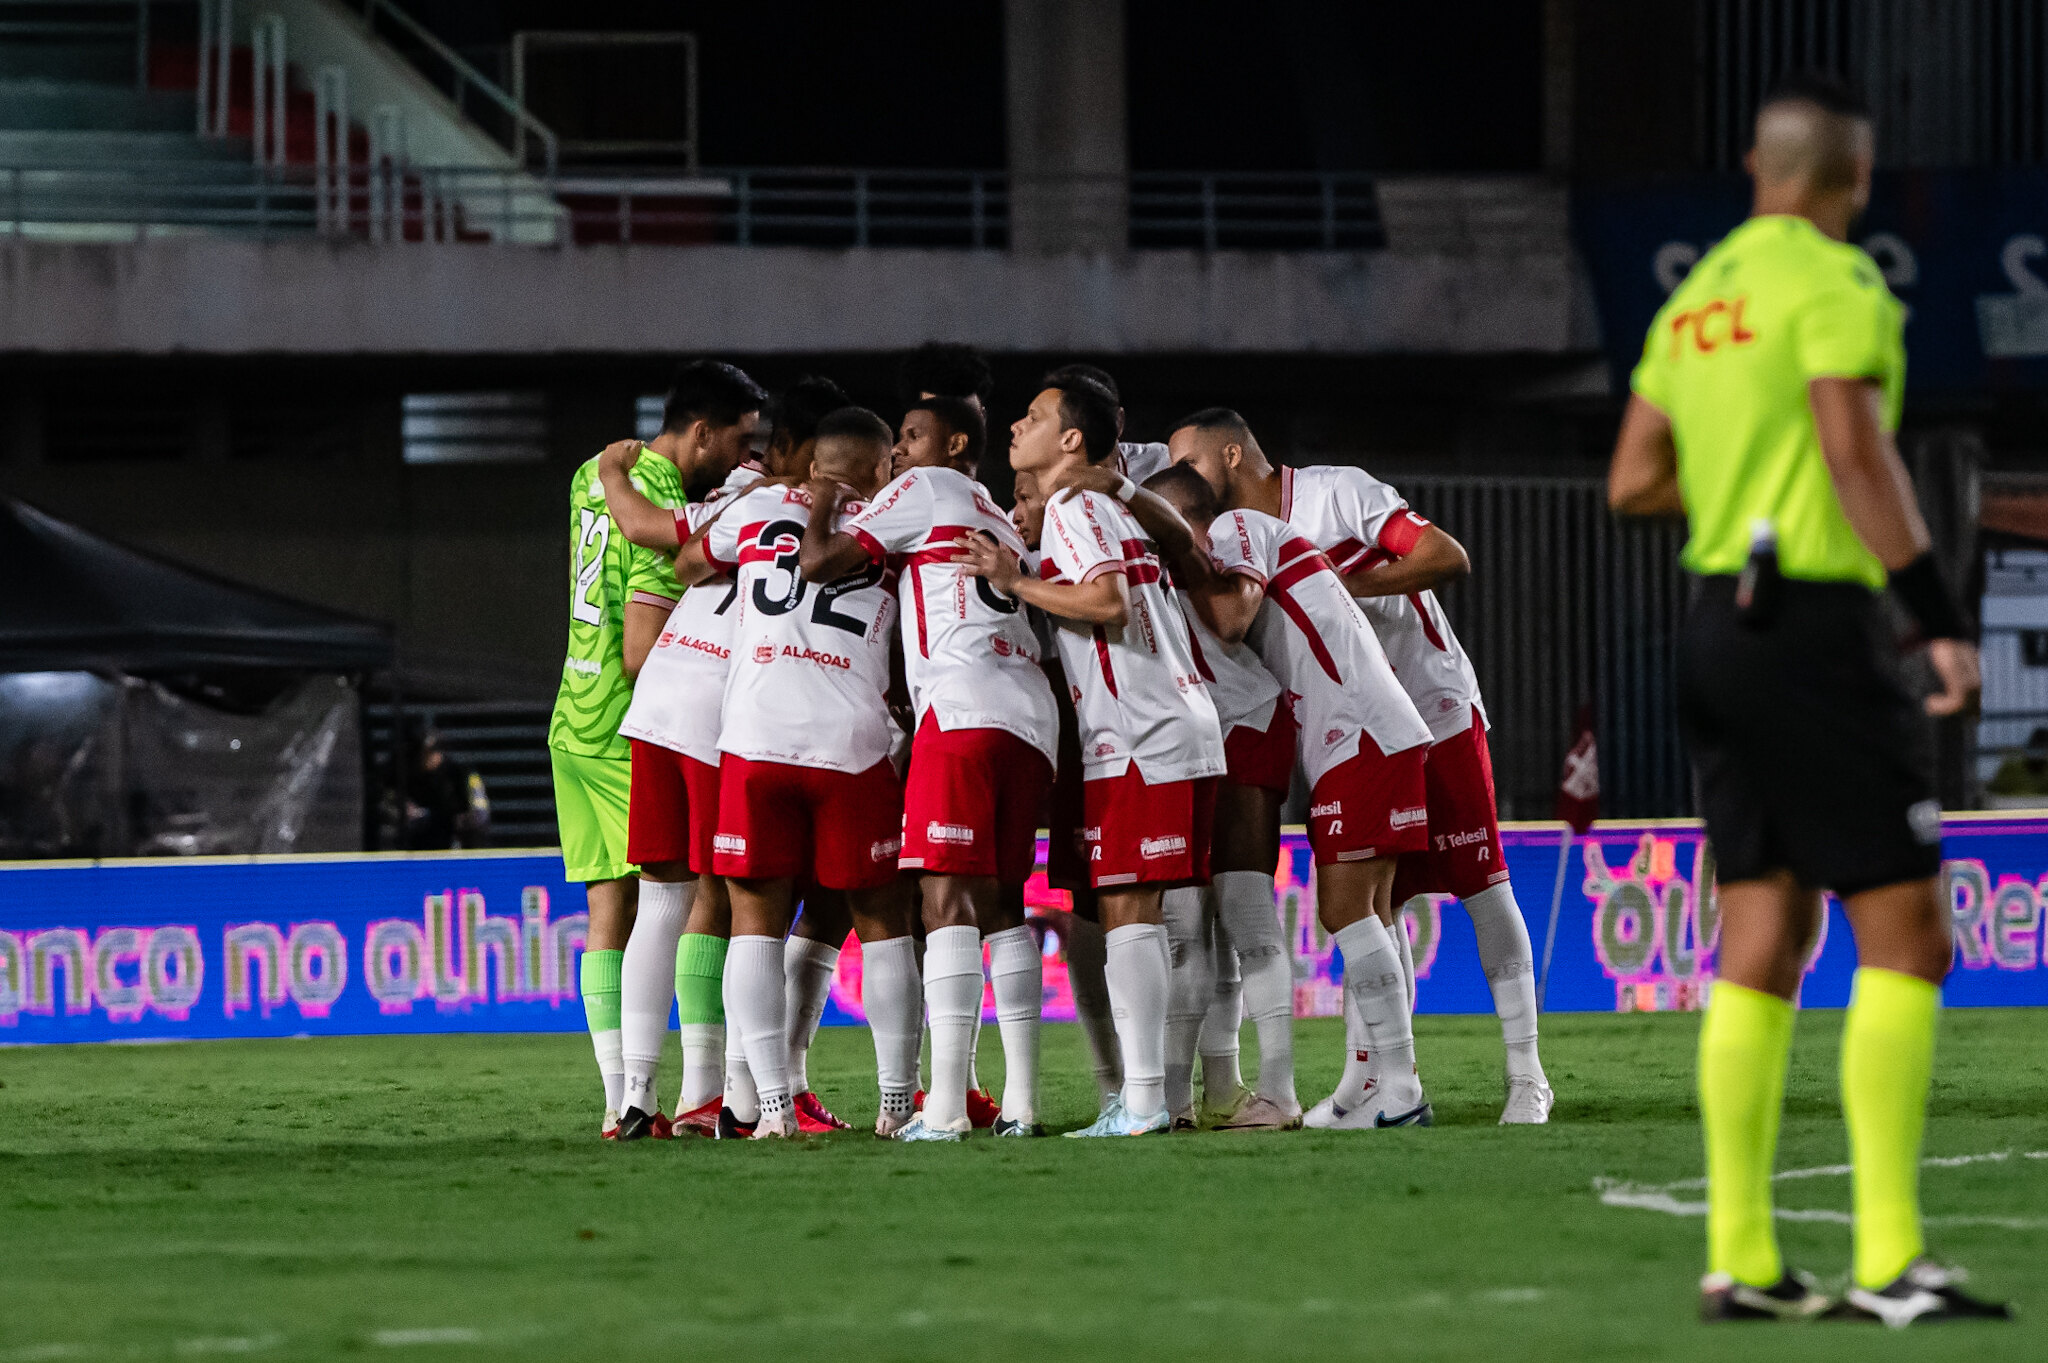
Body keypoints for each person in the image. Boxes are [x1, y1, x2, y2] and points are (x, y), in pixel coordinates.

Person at [1609, 73, 2006, 1326]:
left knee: (1761, 935)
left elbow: (1630, 480)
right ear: (1855, 179)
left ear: (1753, 166)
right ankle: (1890, 1262)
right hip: (1815, 631)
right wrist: (1934, 617)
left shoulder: (1697, 298)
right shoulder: (1837, 284)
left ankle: (1744, 1262)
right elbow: (1851, 447)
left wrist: (1735, 501)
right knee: (1906, 933)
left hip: (1714, 623)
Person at [1167, 408, 1553, 1125]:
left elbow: (1445, 554)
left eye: (1187, 461)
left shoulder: (1335, 493)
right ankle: (1367, 1079)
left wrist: (1338, 585)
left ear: (1230, 454)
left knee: (1480, 881)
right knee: (1381, 903)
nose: (1180, 476)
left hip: (1431, 700)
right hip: (1350, 724)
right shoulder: (1231, 540)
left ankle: (1526, 1073)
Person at [1084, 462, 1438, 1126]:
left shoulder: (1235, 531)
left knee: (1321, 911)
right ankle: (1370, 1086)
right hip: (1333, 730)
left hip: (1328, 727)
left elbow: (1232, 617)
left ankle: (1377, 1088)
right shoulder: (1186, 563)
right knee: (1360, 913)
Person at [608, 407, 921, 1140]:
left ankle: (761, 1108)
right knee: (881, 921)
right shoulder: (895, 523)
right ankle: (897, 1103)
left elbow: (685, 561)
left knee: (746, 917)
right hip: (849, 740)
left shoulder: (756, 506)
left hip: (749, 734)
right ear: (880, 471)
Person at [955, 374, 1227, 1138]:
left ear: (1072, 440)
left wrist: (1015, 580)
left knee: (1131, 911)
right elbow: (1185, 556)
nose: (1016, 424)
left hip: (1140, 733)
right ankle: (1161, 1099)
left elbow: (1109, 603)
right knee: (1164, 915)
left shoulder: (1074, 505)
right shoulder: (1107, 504)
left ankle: (1141, 1101)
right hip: (1176, 724)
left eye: (1035, 417)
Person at [801, 395, 1059, 1140]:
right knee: (1006, 904)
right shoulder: (999, 512)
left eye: (911, 437)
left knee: (944, 901)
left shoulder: (924, 489)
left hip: (963, 703)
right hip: (1028, 713)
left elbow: (820, 562)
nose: (900, 454)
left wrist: (822, 495)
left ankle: (942, 1108)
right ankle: (1022, 1102)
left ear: (954, 442)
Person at [548, 358, 764, 1139]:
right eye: (739, 441)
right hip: (628, 724)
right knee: (698, 894)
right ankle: (707, 1088)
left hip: (571, 716)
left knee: (610, 909)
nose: (745, 457)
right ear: (699, 431)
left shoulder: (593, 473)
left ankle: (621, 1102)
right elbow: (642, 646)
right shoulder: (665, 491)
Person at [1141, 467, 1302, 1131]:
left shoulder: (1214, 553)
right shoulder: (1150, 565)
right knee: (1188, 926)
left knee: (1242, 913)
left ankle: (1278, 1090)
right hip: (1194, 741)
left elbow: (1232, 626)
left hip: (1241, 724)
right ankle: (1181, 1098)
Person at [399, 728, 489, 851]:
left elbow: (480, 814)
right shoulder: (411, 778)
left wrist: (458, 822)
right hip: (422, 845)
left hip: (457, 843)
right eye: (421, 753)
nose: (424, 758)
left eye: (429, 752)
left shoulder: (462, 775)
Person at [1985, 726, 2048, 800]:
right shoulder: (2010, 768)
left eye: (2042, 748)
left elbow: (1992, 790)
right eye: (2037, 747)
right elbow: (1993, 791)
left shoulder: (2011, 767)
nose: (2038, 754)